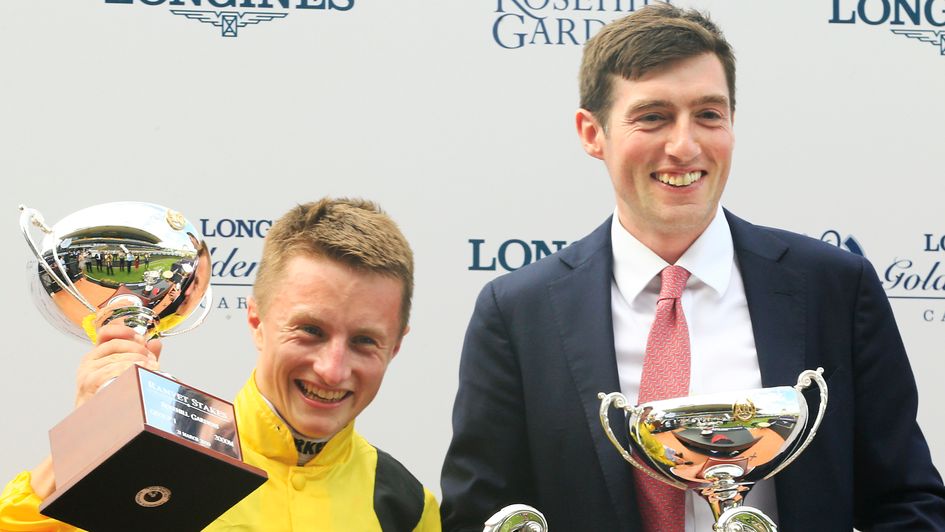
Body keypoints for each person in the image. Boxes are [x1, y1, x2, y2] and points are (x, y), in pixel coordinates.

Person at [439, 4, 945, 531]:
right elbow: (482, 516)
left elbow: (906, 503)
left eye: (708, 114)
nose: (685, 146)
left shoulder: (835, 289)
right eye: (653, 117)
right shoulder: (518, 313)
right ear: (592, 133)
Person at [0, 198, 441, 531]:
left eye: (365, 341)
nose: (331, 369)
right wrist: (90, 441)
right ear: (256, 320)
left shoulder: (407, 506)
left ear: (396, 346)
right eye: (310, 331)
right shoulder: (167, 457)